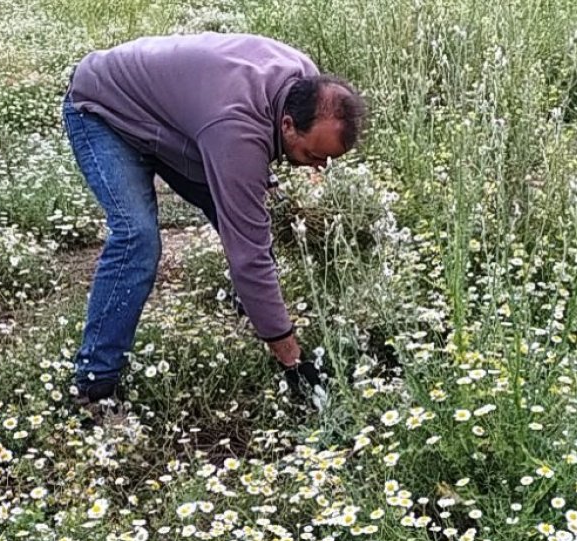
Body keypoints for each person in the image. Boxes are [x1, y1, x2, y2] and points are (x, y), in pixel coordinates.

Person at [61, 32, 366, 417]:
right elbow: (249, 256)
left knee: (249, 216)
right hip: (103, 109)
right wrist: (293, 361)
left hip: (171, 122)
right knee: (137, 238)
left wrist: (255, 182)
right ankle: (94, 385)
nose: (319, 167)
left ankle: (253, 315)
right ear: (287, 125)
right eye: (314, 154)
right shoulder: (235, 129)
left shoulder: (304, 81)